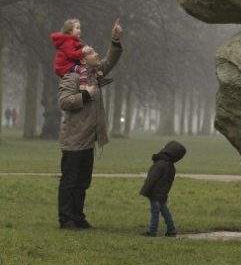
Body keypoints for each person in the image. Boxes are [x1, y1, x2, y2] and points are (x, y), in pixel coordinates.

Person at [57, 18, 123, 230]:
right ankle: (66, 219)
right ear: (83, 60)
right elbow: (64, 101)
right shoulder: (73, 77)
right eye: (92, 53)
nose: (97, 55)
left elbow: (110, 60)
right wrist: (85, 96)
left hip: (87, 139)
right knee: (70, 182)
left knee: (83, 183)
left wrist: (115, 39)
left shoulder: (94, 74)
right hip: (74, 140)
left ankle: (78, 217)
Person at [139, 140, 187, 237]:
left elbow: (151, 179)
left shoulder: (159, 164)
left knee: (155, 213)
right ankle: (171, 229)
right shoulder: (171, 166)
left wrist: (144, 191)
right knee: (165, 211)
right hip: (163, 194)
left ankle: (152, 231)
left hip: (155, 194)